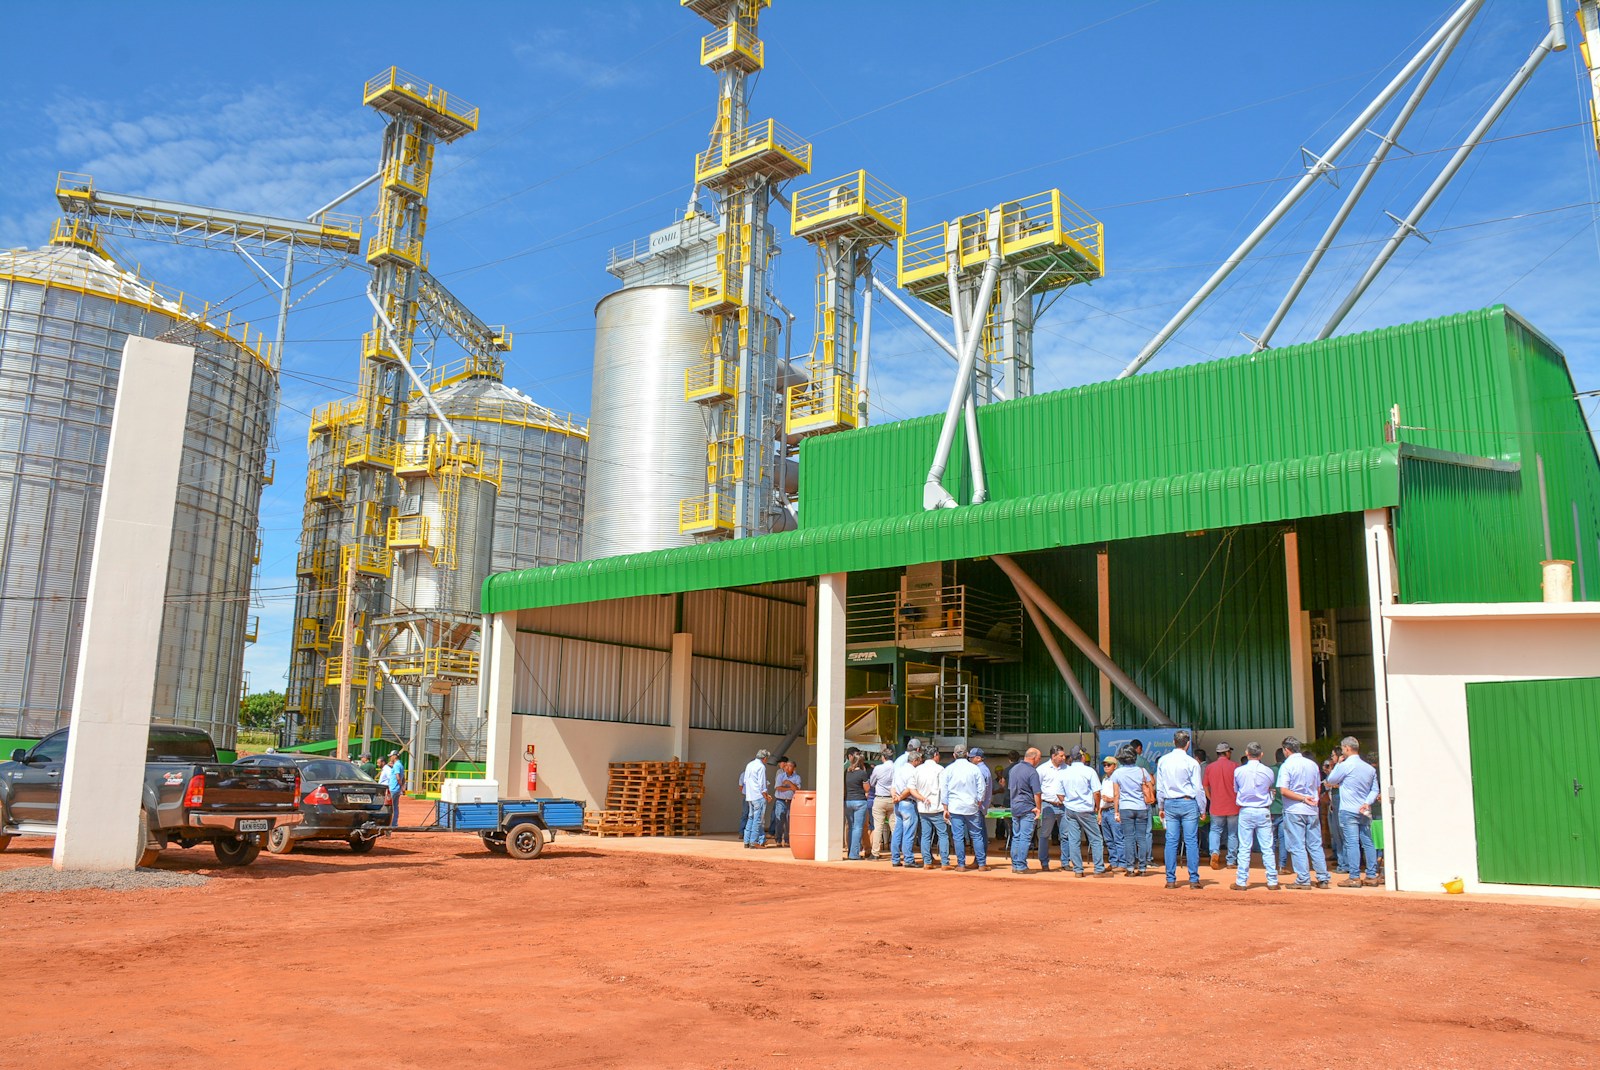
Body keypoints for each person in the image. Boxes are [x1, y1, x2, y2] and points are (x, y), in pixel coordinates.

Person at [1325, 736, 1382, 887]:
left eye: (1343, 748)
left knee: (1352, 843)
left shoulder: (1345, 765)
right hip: (1364, 810)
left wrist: (1338, 764)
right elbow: (1375, 790)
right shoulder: (1369, 768)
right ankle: (1371, 875)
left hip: (1348, 809)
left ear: (1347, 748)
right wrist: (1366, 803)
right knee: (1367, 841)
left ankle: (1355, 876)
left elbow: (1331, 780)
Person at [1156, 729, 1207, 889]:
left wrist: (1161, 805)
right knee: (1191, 841)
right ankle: (1193, 879)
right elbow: (1198, 788)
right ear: (1188, 744)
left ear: (1173, 742)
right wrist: (1203, 808)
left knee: (1171, 841)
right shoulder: (1192, 762)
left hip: (1170, 803)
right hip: (1188, 802)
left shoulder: (1163, 761)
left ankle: (1170, 879)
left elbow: (1160, 787)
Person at [1277, 736, 1330, 889]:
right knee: (1315, 845)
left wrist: (1302, 798)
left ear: (1286, 750)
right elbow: (1318, 787)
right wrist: (1311, 799)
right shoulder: (1312, 764)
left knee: (1297, 845)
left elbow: (1284, 790)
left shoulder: (1287, 766)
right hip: (1312, 810)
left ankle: (1303, 879)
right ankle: (1323, 878)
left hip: (1294, 809)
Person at [1231, 742, 1280, 892]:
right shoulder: (1268, 771)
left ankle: (1241, 881)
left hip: (1246, 810)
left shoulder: (1239, 771)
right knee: (1267, 847)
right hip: (1263, 810)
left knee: (1244, 847)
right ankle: (1272, 880)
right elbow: (1269, 786)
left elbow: (1236, 789)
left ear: (1247, 753)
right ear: (1261, 754)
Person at [1059, 747, 1107, 877]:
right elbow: (1096, 792)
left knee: (1073, 840)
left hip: (1070, 809)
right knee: (1096, 839)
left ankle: (1078, 870)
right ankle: (1098, 869)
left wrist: (1067, 802)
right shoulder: (1089, 771)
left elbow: (1059, 794)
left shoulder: (1064, 772)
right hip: (1085, 809)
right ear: (1083, 757)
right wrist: (1097, 807)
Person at [1108, 748, 1153, 876]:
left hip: (1125, 808)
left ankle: (1130, 868)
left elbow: (1116, 794)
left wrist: (1116, 812)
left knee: (1128, 838)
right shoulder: (1142, 771)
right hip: (1142, 807)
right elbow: (1151, 785)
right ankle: (1143, 868)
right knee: (1141, 838)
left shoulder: (1117, 773)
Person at [943, 745, 987, 871]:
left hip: (955, 807)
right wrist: (979, 802)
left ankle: (961, 864)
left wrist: (945, 808)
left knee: (958, 836)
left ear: (954, 755)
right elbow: (982, 788)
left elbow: (944, 790)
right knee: (977, 835)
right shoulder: (974, 769)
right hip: (971, 806)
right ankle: (982, 864)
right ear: (967, 754)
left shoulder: (949, 769)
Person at [911, 741, 951, 869]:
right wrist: (946, 807)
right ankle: (945, 862)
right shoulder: (940, 769)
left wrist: (922, 799)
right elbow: (944, 790)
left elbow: (912, 789)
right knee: (943, 835)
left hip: (923, 808)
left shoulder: (917, 770)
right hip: (937, 807)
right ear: (935, 755)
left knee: (925, 836)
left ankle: (927, 862)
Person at [1203, 741, 1241, 870]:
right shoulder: (1235, 766)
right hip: (1233, 806)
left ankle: (1214, 852)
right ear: (1227, 753)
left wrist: (1210, 798)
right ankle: (1231, 861)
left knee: (1215, 831)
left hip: (1216, 805)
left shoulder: (1210, 767)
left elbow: (1205, 786)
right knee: (1232, 834)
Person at [1007, 748, 1042, 873]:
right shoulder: (1032, 772)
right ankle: (1021, 865)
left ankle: (1015, 865)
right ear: (1034, 758)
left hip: (1015, 806)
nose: (1039, 761)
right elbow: (1037, 793)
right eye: (1039, 758)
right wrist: (1038, 808)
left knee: (1016, 836)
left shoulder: (1014, 769)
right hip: (1027, 807)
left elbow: (1010, 788)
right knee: (1025, 837)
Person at [1036, 745, 1071, 872]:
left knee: (1066, 835)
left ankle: (1065, 862)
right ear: (1053, 756)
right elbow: (1037, 788)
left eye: (1064, 755)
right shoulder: (1042, 769)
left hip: (1064, 805)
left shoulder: (1068, 769)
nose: (1064, 758)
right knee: (1045, 835)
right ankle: (1044, 862)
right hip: (1048, 805)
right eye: (1061, 756)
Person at [889, 746, 922, 867]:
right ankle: (908, 859)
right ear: (915, 761)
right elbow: (909, 789)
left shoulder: (899, 769)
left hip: (898, 803)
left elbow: (892, 787)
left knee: (897, 831)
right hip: (907, 802)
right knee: (909, 832)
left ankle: (895, 859)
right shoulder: (913, 771)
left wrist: (895, 797)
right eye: (919, 761)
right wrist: (900, 797)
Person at [739, 748, 772, 849]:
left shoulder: (749, 765)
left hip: (750, 796)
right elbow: (762, 784)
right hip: (758, 796)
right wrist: (766, 795)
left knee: (750, 818)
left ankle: (746, 841)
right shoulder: (761, 766)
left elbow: (745, 781)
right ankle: (754, 842)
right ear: (764, 758)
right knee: (757, 820)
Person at [867, 748, 896, 860]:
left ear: (883, 757)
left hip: (880, 798)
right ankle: (896, 852)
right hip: (893, 799)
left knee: (878, 827)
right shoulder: (896, 768)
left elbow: (872, 783)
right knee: (894, 827)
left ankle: (875, 853)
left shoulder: (878, 768)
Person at [843, 751, 872, 860]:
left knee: (850, 827)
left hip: (848, 801)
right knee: (858, 828)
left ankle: (850, 852)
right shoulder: (862, 773)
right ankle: (854, 854)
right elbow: (867, 788)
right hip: (860, 801)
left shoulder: (847, 772)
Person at [1097, 754, 1123, 870]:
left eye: (1109, 765)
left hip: (1114, 810)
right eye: (1104, 765)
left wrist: (1111, 800)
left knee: (1118, 838)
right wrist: (1099, 812)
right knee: (1108, 839)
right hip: (1105, 811)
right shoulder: (1104, 779)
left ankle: (1122, 862)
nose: (1106, 767)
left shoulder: (1118, 779)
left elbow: (1121, 796)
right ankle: (1114, 862)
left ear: (1115, 766)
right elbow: (1102, 797)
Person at [770, 756, 800, 847]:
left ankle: (787, 841)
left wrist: (789, 783)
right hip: (780, 801)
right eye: (786, 766)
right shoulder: (780, 775)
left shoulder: (797, 777)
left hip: (791, 801)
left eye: (790, 766)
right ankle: (778, 840)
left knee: (788, 822)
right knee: (779, 820)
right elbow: (778, 788)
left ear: (794, 768)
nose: (787, 768)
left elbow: (797, 789)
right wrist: (790, 788)